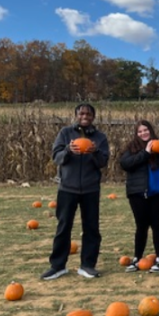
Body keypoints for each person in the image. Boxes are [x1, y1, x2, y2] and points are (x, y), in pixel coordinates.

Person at [41, 103, 109, 280]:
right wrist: (68, 150)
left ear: (93, 117)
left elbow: (103, 162)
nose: (85, 116)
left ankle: (87, 265)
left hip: (90, 189)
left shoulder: (100, 138)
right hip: (67, 188)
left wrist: (94, 152)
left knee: (91, 228)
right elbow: (56, 157)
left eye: (88, 114)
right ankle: (57, 266)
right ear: (76, 115)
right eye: (81, 113)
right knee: (63, 227)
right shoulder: (65, 133)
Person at [119, 120, 159, 273]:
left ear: (151, 130)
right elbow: (126, 164)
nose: (143, 133)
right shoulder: (132, 148)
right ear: (136, 134)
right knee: (141, 226)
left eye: (146, 130)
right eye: (140, 131)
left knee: (157, 225)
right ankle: (137, 258)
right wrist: (146, 153)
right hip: (138, 193)